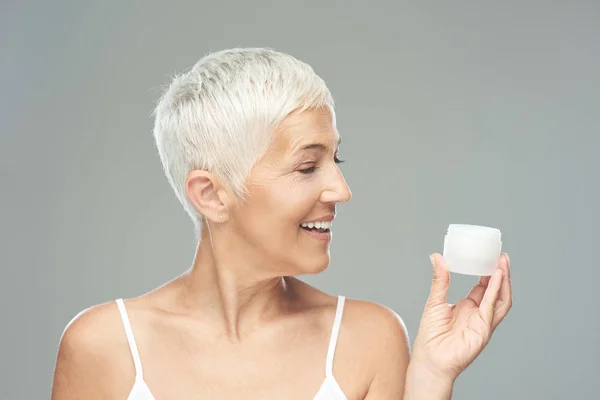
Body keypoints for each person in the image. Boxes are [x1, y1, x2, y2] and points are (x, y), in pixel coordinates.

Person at [50, 47, 512, 399]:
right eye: (307, 167)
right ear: (211, 194)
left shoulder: (367, 338)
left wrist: (432, 375)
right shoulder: (104, 346)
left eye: (336, 159)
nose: (342, 190)